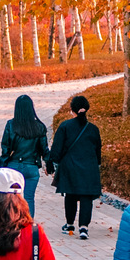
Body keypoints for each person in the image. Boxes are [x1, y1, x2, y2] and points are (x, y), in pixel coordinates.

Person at [49, 93, 103, 236]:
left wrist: (52, 162)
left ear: (72, 109)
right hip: (89, 167)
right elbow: (98, 149)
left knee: (70, 195)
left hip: (70, 166)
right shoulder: (93, 129)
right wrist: (97, 163)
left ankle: (70, 224)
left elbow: (56, 149)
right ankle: (84, 227)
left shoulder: (65, 126)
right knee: (86, 197)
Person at [0, 93, 48, 214]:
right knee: (29, 199)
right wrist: (49, 164)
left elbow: (5, 148)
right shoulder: (39, 126)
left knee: (12, 199)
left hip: (14, 167)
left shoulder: (11, 125)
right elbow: (44, 149)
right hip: (31, 167)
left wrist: (2, 168)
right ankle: (28, 227)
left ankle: (13, 225)